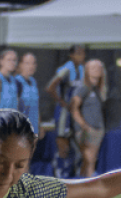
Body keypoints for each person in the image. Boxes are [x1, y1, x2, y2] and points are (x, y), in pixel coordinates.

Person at [45, 44, 85, 179]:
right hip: (64, 113)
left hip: (76, 113)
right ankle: (59, 175)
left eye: (83, 53)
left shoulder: (81, 69)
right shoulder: (66, 69)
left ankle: (74, 175)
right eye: (78, 53)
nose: (81, 56)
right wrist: (62, 102)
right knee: (63, 146)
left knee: (77, 146)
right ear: (71, 55)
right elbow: (50, 87)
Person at [70, 59, 107, 178]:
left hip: (98, 128)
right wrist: (83, 125)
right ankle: (91, 183)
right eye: (93, 68)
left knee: (90, 160)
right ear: (87, 71)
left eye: (99, 68)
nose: (97, 70)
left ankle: (82, 182)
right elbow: (74, 108)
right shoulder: (83, 87)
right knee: (89, 158)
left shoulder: (98, 89)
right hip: (85, 129)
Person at [15, 52, 41, 138]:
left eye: (33, 63)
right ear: (20, 65)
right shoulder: (17, 82)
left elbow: (36, 107)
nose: (31, 66)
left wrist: (39, 126)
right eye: (27, 63)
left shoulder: (34, 82)